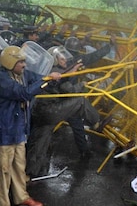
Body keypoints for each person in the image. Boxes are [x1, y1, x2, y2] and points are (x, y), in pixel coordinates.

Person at [0, 46, 62, 206]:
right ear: (10, 63)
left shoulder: (22, 74)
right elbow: (24, 93)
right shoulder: (2, 80)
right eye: (20, 62)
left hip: (18, 129)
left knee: (19, 166)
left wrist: (50, 78)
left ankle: (21, 196)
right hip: (4, 131)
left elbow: (37, 78)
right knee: (4, 171)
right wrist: (45, 80)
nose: (24, 64)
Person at [26, 46, 102, 176]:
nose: (64, 59)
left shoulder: (48, 70)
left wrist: (72, 70)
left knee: (40, 142)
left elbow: (64, 78)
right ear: (54, 59)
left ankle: (30, 173)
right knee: (81, 101)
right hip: (50, 110)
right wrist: (81, 85)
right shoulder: (56, 72)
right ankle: (97, 123)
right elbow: (69, 91)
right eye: (61, 56)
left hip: (38, 111)